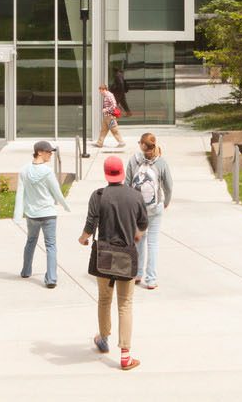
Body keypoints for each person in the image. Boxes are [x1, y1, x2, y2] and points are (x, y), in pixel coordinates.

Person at [79, 153, 149, 371]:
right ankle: (126, 355)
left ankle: (104, 339)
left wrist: (84, 238)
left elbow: (91, 224)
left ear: (106, 173)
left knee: (104, 299)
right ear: (121, 173)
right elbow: (143, 223)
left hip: (104, 257)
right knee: (125, 304)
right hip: (127, 256)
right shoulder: (135, 195)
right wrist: (137, 234)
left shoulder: (98, 195)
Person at [14, 139, 70, 288]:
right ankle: (51, 279)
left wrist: (18, 215)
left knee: (31, 241)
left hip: (32, 214)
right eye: (48, 152)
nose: (50, 154)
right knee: (51, 245)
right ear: (39, 152)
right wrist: (65, 205)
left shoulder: (24, 170)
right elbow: (56, 192)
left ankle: (26, 271)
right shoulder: (47, 172)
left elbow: (20, 194)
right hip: (48, 213)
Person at [126, 133, 173, 290]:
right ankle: (151, 279)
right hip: (155, 208)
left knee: (139, 240)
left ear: (141, 145)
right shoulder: (161, 162)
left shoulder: (134, 160)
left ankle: (137, 274)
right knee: (153, 243)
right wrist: (165, 202)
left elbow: (127, 184)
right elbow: (169, 186)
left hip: (137, 210)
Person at [96, 83, 124, 150]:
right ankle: (99, 143)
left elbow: (114, 105)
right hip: (106, 117)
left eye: (100, 91)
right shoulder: (106, 96)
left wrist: (106, 109)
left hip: (110, 117)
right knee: (103, 130)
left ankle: (121, 142)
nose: (100, 92)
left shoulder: (109, 95)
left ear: (104, 90)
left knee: (114, 129)